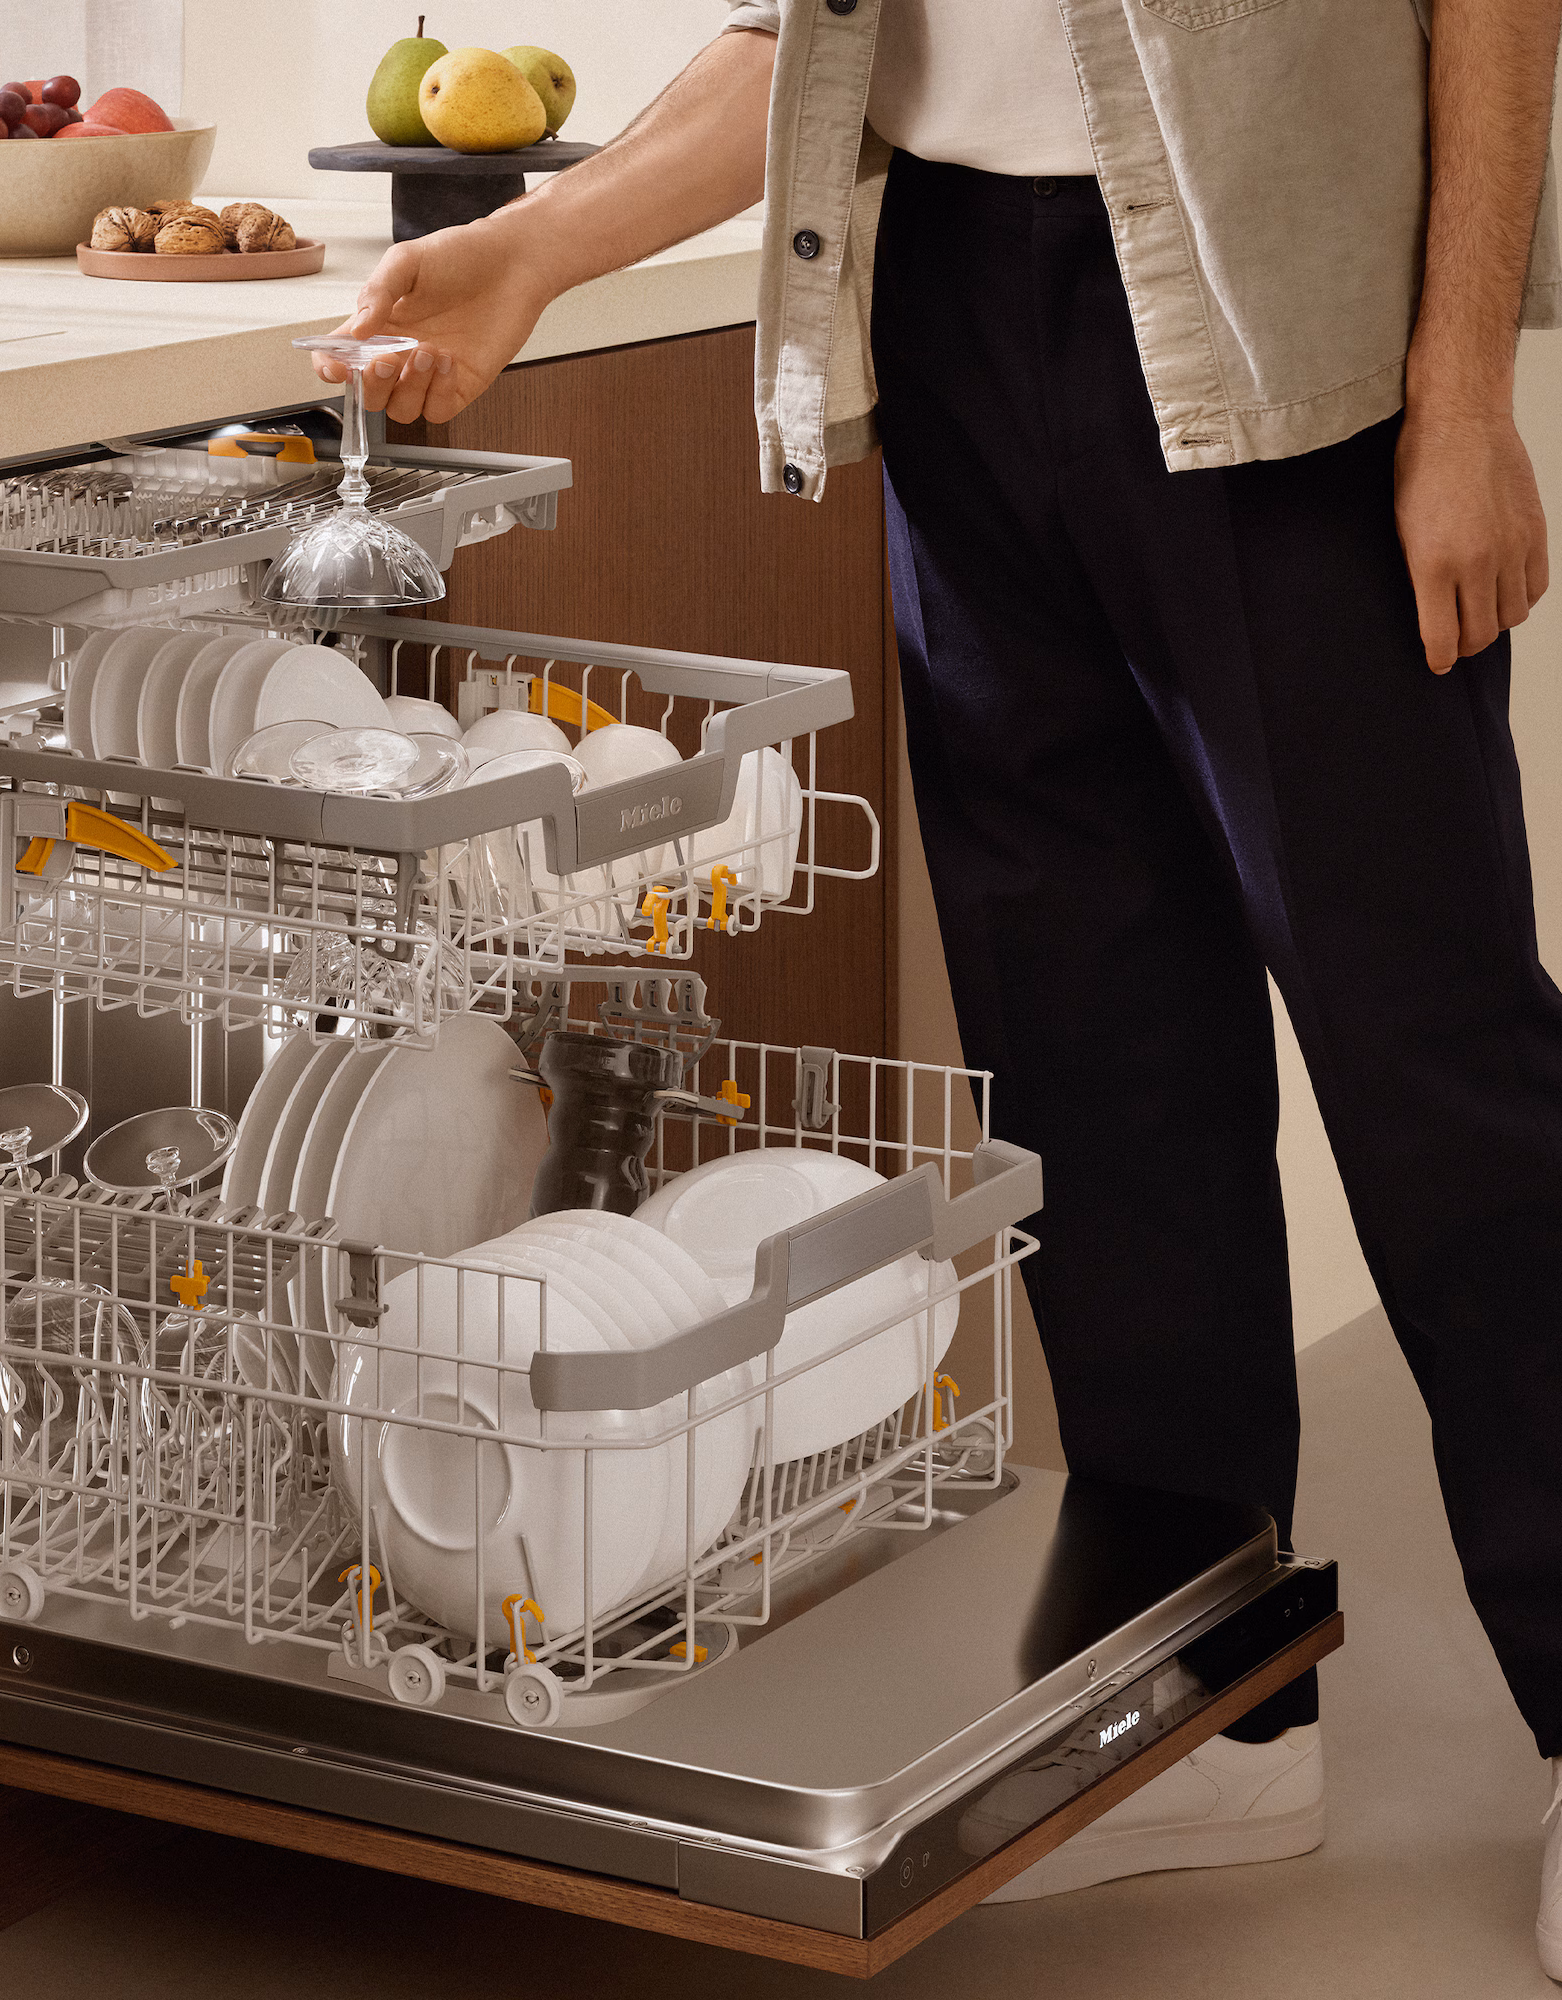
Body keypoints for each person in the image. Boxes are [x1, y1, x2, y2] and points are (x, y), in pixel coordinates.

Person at [315, 0, 1562, 1971]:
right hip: (956, 307)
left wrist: (1464, 390)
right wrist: (532, 248)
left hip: (1279, 330)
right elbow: (817, 45)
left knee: (1441, 1075)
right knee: (1094, 1058)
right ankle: (1210, 1712)